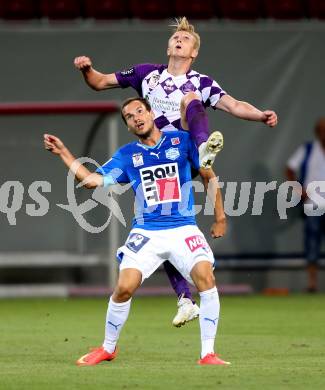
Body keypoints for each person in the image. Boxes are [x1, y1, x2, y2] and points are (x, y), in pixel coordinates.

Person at [74, 16, 277, 323]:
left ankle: (203, 148)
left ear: (193, 53)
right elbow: (100, 82)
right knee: (163, 228)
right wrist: (87, 69)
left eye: (185, 39)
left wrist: (261, 115)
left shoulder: (201, 82)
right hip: (157, 162)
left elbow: (234, 105)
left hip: (182, 151)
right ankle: (184, 298)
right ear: (169, 46)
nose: (179, 40)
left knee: (191, 100)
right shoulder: (147, 74)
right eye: (175, 38)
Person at [44, 97, 229, 365]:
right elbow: (90, 181)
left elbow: (209, 176)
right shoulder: (128, 155)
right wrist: (63, 152)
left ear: (152, 113)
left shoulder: (183, 141)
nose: (136, 117)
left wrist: (220, 217)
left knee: (206, 278)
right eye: (129, 117)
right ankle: (108, 348)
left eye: (140, 111)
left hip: (183, 228)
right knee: (123, 288)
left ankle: (208, 354)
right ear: (128, 126)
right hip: (147, 232)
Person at [286, 118, 325, 293]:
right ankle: (312, 283)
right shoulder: (308, 149)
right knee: (312, 241)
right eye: (322, 130)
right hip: (314, 203)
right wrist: (297, 189)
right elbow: (290, 167)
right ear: (317, 132)